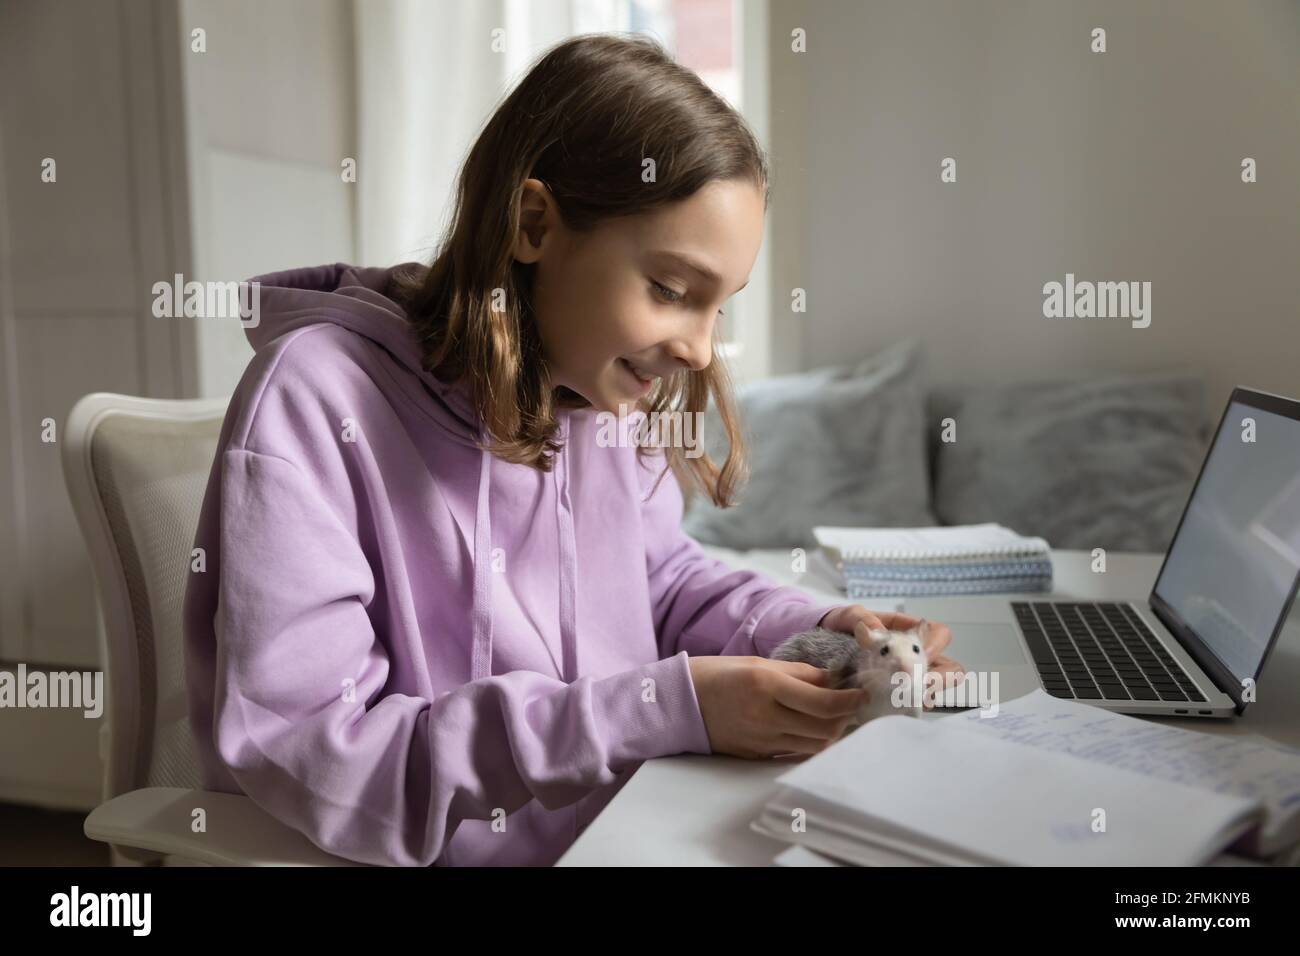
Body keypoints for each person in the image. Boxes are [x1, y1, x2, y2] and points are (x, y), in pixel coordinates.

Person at [183, 33, 962, 867]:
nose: (699, 350)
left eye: (719, 307)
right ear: (533, 223)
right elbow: (317, 750)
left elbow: (660, 579)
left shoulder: (596, 391)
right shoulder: (315, 401)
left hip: (628, 830)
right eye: (670, 290)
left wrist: (818, 631)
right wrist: (663, 709)